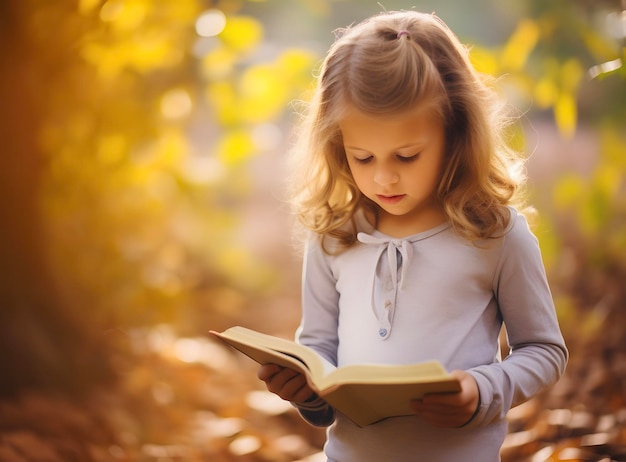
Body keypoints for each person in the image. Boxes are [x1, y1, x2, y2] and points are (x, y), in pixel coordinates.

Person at [257, 10, 568, 462]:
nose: (384, 178)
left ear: (456, 132)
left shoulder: (495, 234)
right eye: (362, 158)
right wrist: (306, 392)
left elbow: (544, 350)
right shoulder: (334, 235)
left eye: (406, 155)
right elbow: (320, 352)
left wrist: (483, 390)